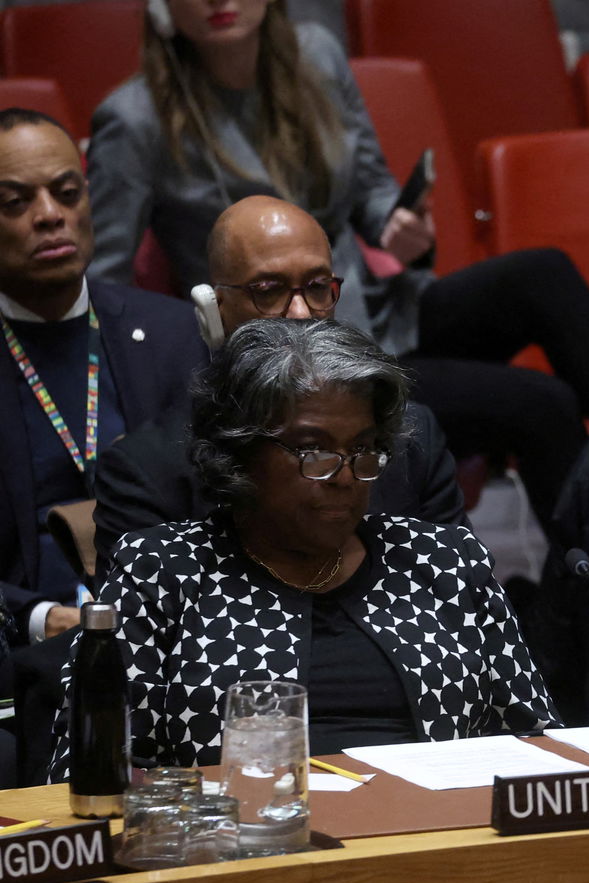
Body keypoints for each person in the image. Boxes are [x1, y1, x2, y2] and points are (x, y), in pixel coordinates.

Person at [85, 0, 589, 522]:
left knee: (543, 273)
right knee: (541, 404)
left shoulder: (315, 56)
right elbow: (106, 288)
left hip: (370, 306)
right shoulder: (135, 120)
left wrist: (399, 227)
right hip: (285, 358)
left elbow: (371, 189)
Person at [47, 317, 557, 775]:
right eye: (313, 450)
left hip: (434, 845)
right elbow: (91, 774)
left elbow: (541, 748)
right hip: (240, 854)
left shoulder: (442, 560)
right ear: (240, 452)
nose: (345, 477)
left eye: (363, 449)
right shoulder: (161, 571)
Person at [93, 195, 464, 562]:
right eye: (268, 291)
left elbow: (463, 595)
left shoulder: (413, 438)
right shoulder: (145, 473)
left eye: (318, 288)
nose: (301, 314)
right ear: (213, 311)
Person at [0, 109, 207, 650]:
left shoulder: (172, 334)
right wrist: (43, 618)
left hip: (166, 641)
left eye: (67, 192)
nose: (50, 216)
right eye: (15, 203)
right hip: (22, 654)